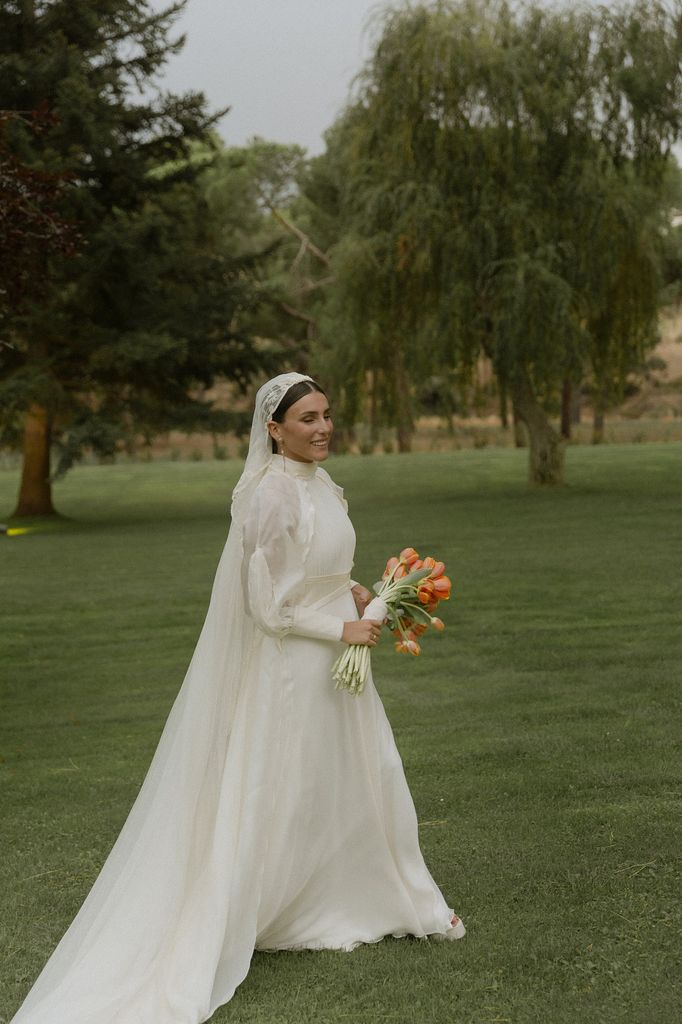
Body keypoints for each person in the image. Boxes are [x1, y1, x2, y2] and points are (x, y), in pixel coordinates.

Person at [10, 372, 464, 1024]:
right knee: (288, 787)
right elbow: (266, 609)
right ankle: (271, 903)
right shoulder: (271, 496)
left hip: (339, 656)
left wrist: (360, 592)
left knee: (358, 777)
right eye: (306, 419)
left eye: (326, 415)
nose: (322, 428)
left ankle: (384, 895)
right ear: (273, 429)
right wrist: (341, 626)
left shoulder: (321, 484)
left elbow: (317, 569)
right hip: (298, 665)